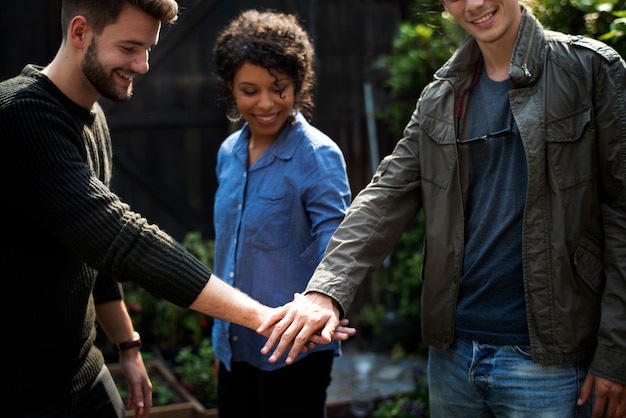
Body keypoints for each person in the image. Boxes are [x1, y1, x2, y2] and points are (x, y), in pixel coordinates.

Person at [259, 0, 626, 417]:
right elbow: (385, 197)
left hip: (550, 364)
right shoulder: (440, 96)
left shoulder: (589, 69)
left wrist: (617, 352)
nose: (475, 4)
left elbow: (622, 214)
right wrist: (326, 290)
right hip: (453, 359)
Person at [0, 1, 354, 417]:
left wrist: (129, 347)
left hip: (84, 372)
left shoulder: (92, 118)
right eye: (131, 47)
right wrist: (261, 317)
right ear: (80, 33)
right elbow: (121, 239)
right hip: (21, 389)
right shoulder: (18, 116)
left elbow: (92, 253)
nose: (144, 65)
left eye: (148, 49)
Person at [209, 9, 352, 418]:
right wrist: (222, 341)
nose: (266, 103)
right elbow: (228, 253)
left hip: (295, 351)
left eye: (279, 88)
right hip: (235, 346)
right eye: (249, 90)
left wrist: (330, 303)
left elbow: (337, 246)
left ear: (298, 84)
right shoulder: (228, 154)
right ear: (231, 90)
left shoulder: (317, 155)